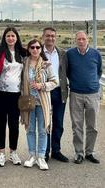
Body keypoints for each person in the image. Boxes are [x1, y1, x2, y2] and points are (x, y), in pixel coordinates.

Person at [21, 39, 57, 170]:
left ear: (41, 49)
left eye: (37, 47)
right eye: (32, 47)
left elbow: (54, 82)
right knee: (30, 129)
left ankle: (41, 156)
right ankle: (32, 156)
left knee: (43, 130)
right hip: (28, 102)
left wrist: (41, 85)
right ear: (29, 49)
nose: (35, 50)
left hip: (42, 103)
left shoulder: (46, 65)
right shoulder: (24, 63)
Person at [66, 31, 102, 164]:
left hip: (92, 94)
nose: (81, 41)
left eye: (83, 39)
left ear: (88, 39)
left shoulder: (96, 54)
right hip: (76, 94)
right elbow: (68, 72)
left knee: (92, 126)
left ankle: (90, 152)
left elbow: (99, 71)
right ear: (75, 40)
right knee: (77, 126)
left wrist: (92, 83)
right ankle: (79, 153)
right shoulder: (70, 54)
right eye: (79, 39)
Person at [0, 27, 27, 167]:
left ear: (17, 37)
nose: (11, 38)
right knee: (0, 123)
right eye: (8, 36)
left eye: (13, 36)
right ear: (4, 38)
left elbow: (37, 55)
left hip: (16, 95)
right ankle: (1, 153)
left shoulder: (22, 52)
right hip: (0, 94)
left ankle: (13, 152)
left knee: (14, 125)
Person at [42, 27, 69, 162]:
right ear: (43, 37)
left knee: (58, 123)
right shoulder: (37, 51)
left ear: (56, 37)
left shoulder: (62, 53)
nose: (50, 38)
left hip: (59, 92)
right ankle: (45, 151)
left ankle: (56, 150)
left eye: (53, 36)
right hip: (44, 92)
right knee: (46, 123)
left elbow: (67, 72)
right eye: (48, 36)